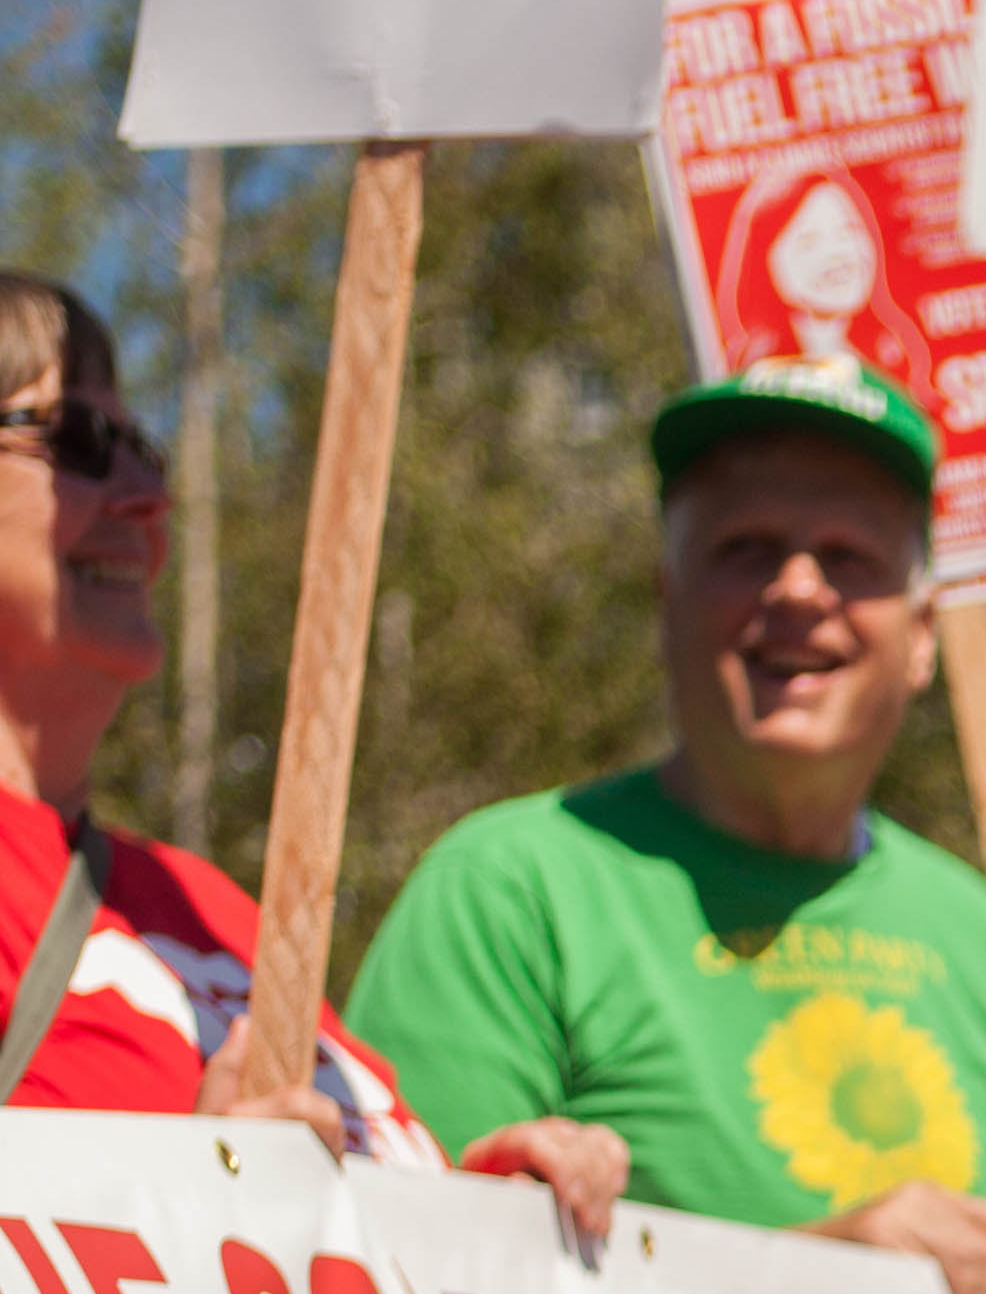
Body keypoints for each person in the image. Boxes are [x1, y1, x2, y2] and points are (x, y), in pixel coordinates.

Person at [350, 357, 986, 1294]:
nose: (797, 589)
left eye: (849, 557)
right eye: (746, 549)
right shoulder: (509, 890)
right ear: (666, 600)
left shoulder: (978, 931)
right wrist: (816, 1287)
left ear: (922, 638)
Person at [0, 272, 606, 1222]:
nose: (149, 497)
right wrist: (194, 1201)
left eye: (143, 448)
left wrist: (495, 1221)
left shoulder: (209, 908)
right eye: (77, 438)